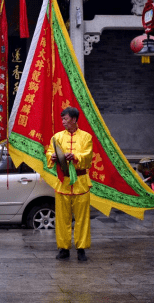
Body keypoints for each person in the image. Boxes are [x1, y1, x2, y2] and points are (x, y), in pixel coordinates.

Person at [46, 107, 93, 261]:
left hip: (81, 182)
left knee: (82, 218)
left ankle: (81, 249)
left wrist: (76, 156)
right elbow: (49, 152)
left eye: (65, 119)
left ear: (74, 119)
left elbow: (88, 155)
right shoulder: (57, 137)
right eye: (62, 119)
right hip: (63, 183)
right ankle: (63, 248)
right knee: (61, 218)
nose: (63, 122)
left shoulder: (86, 137)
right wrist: (52, 156)